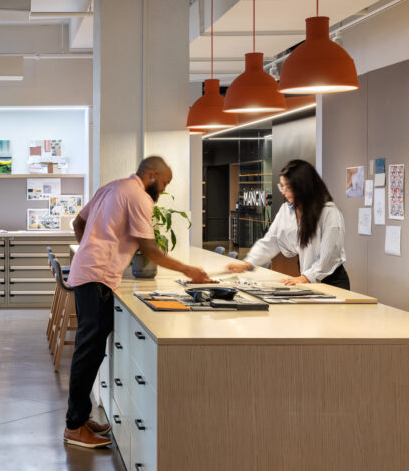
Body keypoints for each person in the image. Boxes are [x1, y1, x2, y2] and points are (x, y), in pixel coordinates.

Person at [63, 156, 211, 449]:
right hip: (96, 279)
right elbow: (149, 248)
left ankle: (80, 419)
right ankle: (74, 426)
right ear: (152, 175)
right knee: (88, 352)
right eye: (165, 182)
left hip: (88, 274)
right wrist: (189, 270)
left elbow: (78, 222)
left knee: (90, 352)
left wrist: (90, 250)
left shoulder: (111, 188)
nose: (165, 189)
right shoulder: (138, 196)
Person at [226, 159, 349, 289]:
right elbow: (271, 240)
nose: (283, 191)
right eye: (282, 186)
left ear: (304, 186)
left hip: (331, 282)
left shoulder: (329, 213)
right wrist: (247, 264)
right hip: (307, 280)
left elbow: (329, 257)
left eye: (288, 187)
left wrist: (305, 277)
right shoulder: (287, 209)